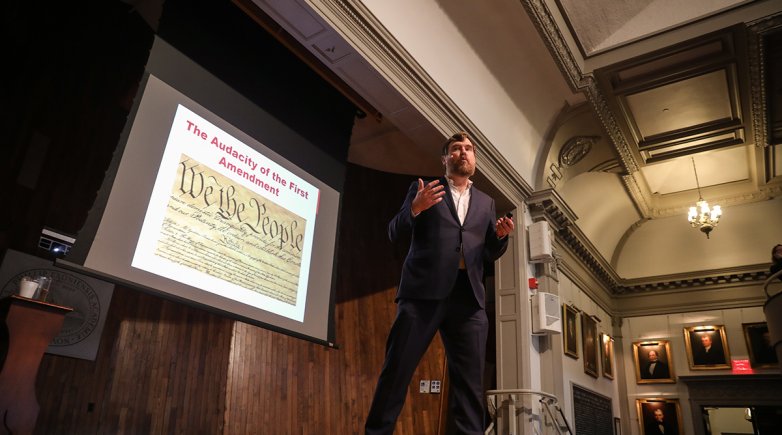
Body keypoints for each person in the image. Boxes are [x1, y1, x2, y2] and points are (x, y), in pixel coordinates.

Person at [365, 131, 514, 435]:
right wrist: (415, 209)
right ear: (445, 159)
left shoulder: (486, 203)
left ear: (474, 159)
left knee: (470, 385)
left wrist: (499, 238)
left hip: (468, 299)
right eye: (456, 148)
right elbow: (394, 232)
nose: (464, 152)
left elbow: (486, 253)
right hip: (422, 295)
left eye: (469, 149)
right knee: (396, 371)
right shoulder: (424, 189)